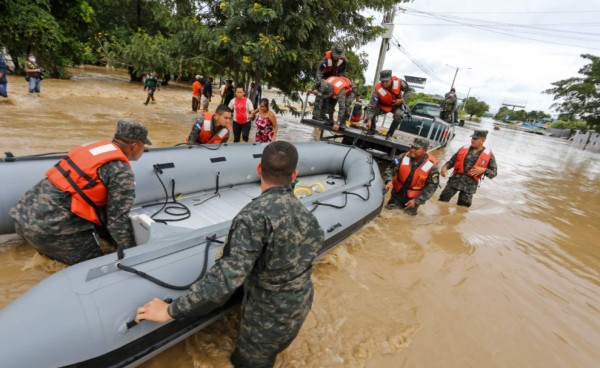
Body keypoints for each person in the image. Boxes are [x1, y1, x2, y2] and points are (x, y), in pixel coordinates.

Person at [135, 141, 324, 368]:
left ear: (259, 169)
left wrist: (169, 311)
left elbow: (224, 280)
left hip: (266, 321)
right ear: (294, 174)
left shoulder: (254, 216)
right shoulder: (305, 213)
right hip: (299, 307)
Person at [9, 120, 152, 265]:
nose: (143, 149)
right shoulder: (121, 171)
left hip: (22, 217)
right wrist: (132, 253)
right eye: (143, 145)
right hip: (50, 229)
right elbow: (117, 222)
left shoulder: (95, 148)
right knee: (97, 266)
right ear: (134, 145)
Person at [438, 129, 497, 207]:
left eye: (475, 139)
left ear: (483, 140)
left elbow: (493, 173)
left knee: (462, 209)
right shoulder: (464, 149)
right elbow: (451, 161)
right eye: (472, 138)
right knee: (441, 202)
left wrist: (484, 170)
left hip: (469, 187)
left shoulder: (489, 155)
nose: (472, 140)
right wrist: (445, 167)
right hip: (454, 182)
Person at [383, 138, 439, 216]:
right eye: (412, 147)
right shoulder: (402, 157)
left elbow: (432, 186)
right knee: (386, 215)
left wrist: (417, 201)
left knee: (406, 220)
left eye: (416, 148)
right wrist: (388, 181)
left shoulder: (431, 166)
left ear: (425, 150)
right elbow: (390, 169)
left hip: (413, 199)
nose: (412, 150)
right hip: (397, 194)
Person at [364, 70, 409, 140]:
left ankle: (389, 134)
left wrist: (402, 100)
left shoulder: (400, 82)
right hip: (383, 106)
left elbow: (409, 90)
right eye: (382, 81)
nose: (384, 84)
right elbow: (371, 106)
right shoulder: (377, 90)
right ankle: (372, 130)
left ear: (391, 79)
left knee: (399, 115)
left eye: (386, 81)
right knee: (370, 111)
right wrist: (369, 119)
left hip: (396, 105)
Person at [310, 44, 347, 120]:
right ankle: (316, 114)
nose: (337, 57)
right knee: (321, 93)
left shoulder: (343, 61)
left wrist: (338, 85)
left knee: (332, 96)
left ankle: (323, 114)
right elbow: (319, 73)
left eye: (338, 56)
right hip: (324, 77)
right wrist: (317, 85)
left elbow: (342, 74)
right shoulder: (326, 59)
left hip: (334, 79)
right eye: (335, 55)